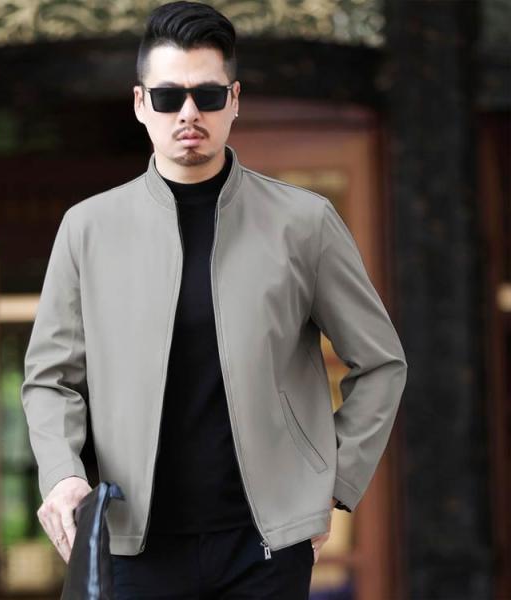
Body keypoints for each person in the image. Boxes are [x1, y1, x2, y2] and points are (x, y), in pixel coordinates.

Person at [20, 2, 408, 598]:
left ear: (234, 100)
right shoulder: (88, 229)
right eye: (168, 97)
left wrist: (330, 483)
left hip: (265, 548)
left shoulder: (303, 223)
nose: (189, 113)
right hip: (133, 543)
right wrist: (62, 474)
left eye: (207, 94)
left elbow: (380, 362)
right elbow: (51, 379)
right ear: (140, 104)